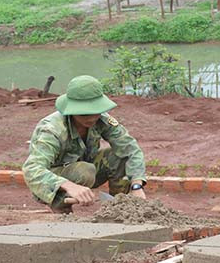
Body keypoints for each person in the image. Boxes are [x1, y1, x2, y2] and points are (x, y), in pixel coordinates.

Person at [23, 75, 147, 213]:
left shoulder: (103, 120)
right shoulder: (52, 129)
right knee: (85, 171)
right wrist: (68, 186)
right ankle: (61, 208)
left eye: (96, 112)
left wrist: (137, 186)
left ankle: (119, 209)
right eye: (84, 113)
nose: (92, 118)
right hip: (50, 182)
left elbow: (130, 149)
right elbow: (32, 169)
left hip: (86, 171)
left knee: (118, 157)